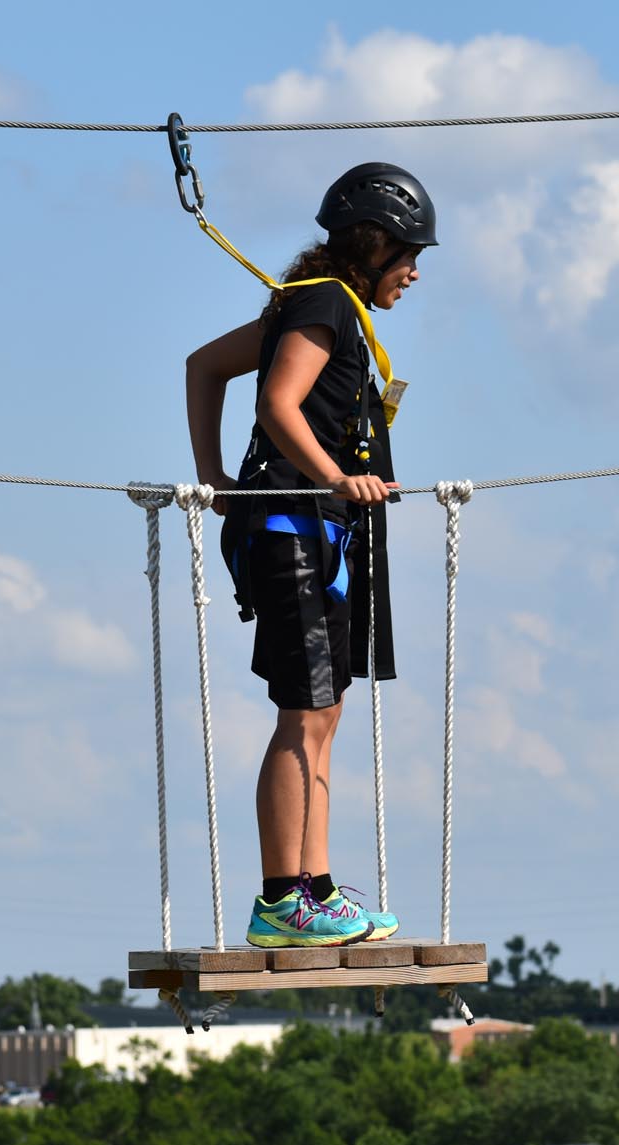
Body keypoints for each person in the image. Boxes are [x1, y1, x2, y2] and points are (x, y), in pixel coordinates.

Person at [184, 163, 436, 949]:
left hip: (316, 534)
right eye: (408, 256)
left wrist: (216, 476)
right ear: (373, 244)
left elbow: (203, 366)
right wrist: (330, 477)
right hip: (292, 530)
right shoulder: (323, 302)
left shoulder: (324, 307)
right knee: (303, 714)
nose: (414, 273)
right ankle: (279, 901)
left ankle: (316, 890)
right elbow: (275, 402)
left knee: (323, 712)